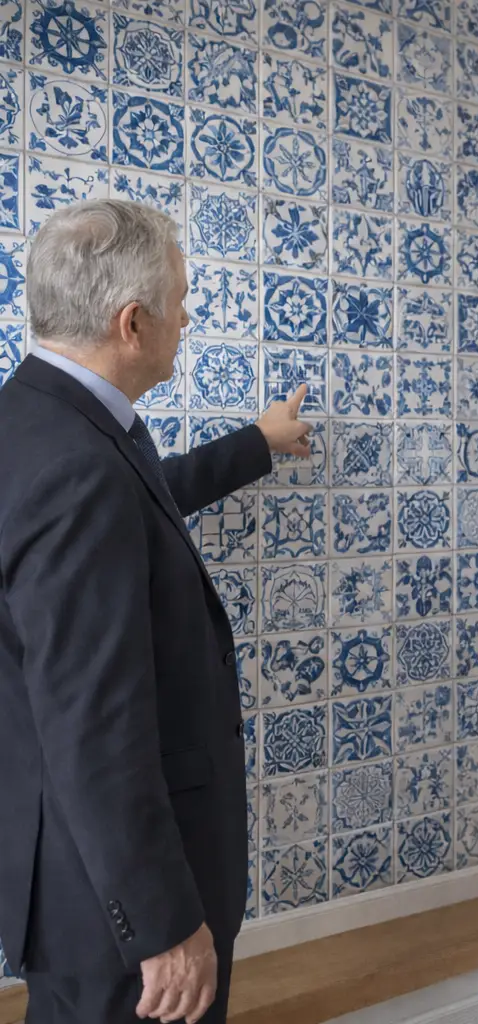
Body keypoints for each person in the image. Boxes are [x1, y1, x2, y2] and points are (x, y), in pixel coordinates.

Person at [0, 199, 312, 1024]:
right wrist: (164, 927)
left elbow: (141, 507)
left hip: (62, 880)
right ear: (132, 322)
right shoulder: (79, 471)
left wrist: (255, 443)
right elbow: (94, 725)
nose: (189, 312)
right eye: (181, 297)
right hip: (120, 914)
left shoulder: (34, 425)